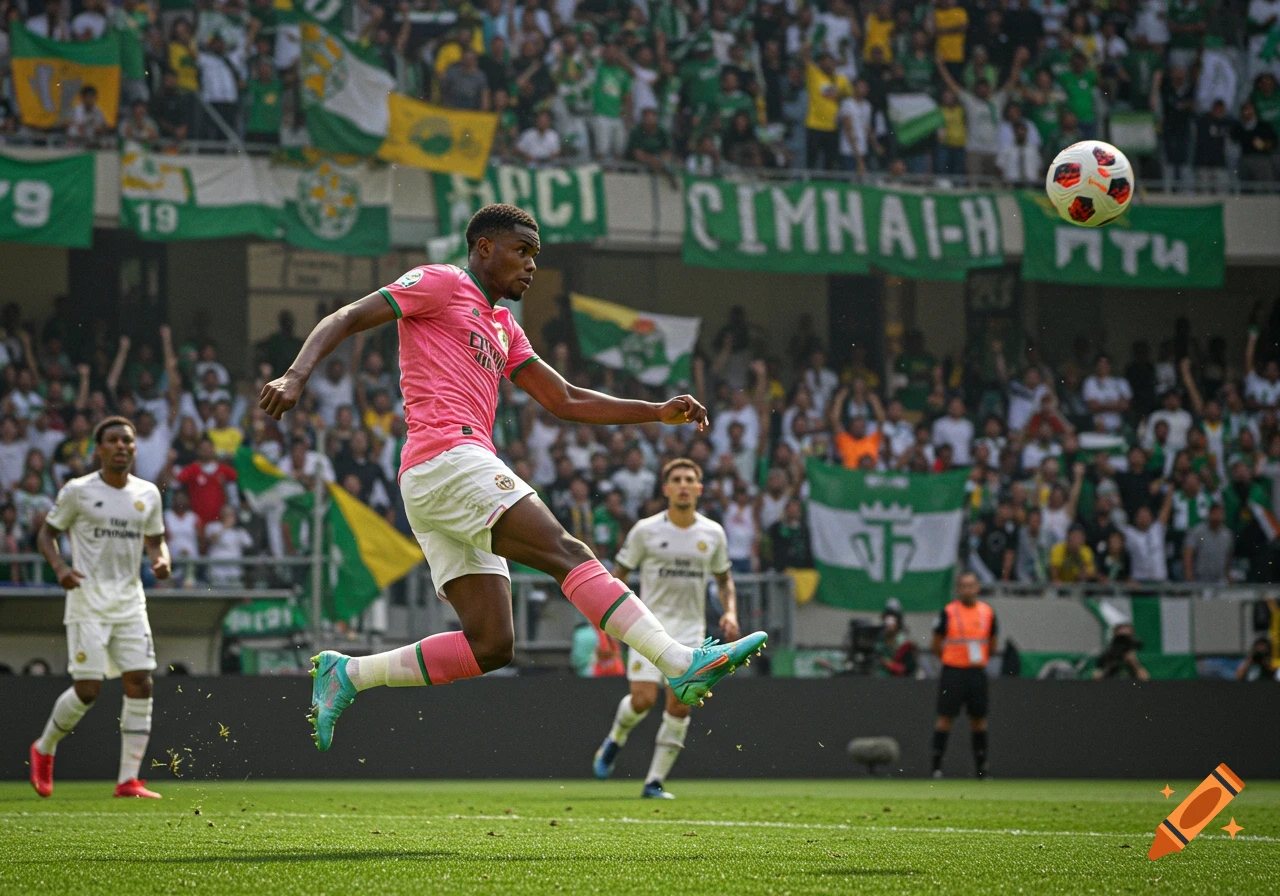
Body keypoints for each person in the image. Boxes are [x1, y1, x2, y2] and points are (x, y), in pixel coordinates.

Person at [259, 204, 766, 752]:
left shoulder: (503, 326)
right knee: (566, 552)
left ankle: (348, 675)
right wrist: (295, 374)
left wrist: (655, 410)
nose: (530, 266)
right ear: (484, 248)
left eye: (535, 256)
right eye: (521, 251)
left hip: (438, 478)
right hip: (448, 457)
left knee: (492, 645)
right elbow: (347, 317)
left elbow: (565, 399)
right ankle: (678, 661)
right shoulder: (440, 282)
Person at [29, 417, 171, 800]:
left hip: (129, 602)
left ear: (134, 449)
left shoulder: (147, 494)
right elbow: (46, 532)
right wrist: (59, 567)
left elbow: (156, 540)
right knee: (88, 690)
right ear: (99, 448)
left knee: (141, 681)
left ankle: (129, 780)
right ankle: (44, 748)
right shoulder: (78, 491)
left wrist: (161, 560)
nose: (121, 446)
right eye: (113, 441)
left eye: (127, 441)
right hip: (88, 602)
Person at [590, 458, 739, 799]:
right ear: (667, 488)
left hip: (690, 631)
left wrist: (730, 612)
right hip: (648, 627)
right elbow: (619, 577)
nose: (684, 484)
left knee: (679, 705)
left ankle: (653, 782)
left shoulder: (713, 533)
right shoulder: (645, 530)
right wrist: (609, 628)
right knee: (643, 701)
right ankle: (615, 738)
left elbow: (724, 580)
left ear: (699, 489)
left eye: (690, 479)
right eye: (677, 479)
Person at [930, 572, 998, 778]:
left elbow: (993, 644)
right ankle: (936, 769)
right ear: (958, 589)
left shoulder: (987, 613)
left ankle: (981, 769)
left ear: (977, 587)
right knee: (944, 718)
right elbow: (935, 643)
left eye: (971, 585)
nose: (968, 590)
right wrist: (952, 657)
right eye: (963, 586)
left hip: (976, 672)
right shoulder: (948, 612)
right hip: (953, 671)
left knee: (978, 720)